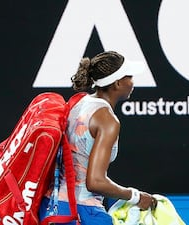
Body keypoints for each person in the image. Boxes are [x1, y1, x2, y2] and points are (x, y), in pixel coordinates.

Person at [39, 51, 157, 225]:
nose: (132, 82)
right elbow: (95, 182)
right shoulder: (107, 120)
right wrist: (136, 196)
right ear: (117, 83)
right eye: (129, 77)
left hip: (50, 207)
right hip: (80, 212)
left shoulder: (79, 103)